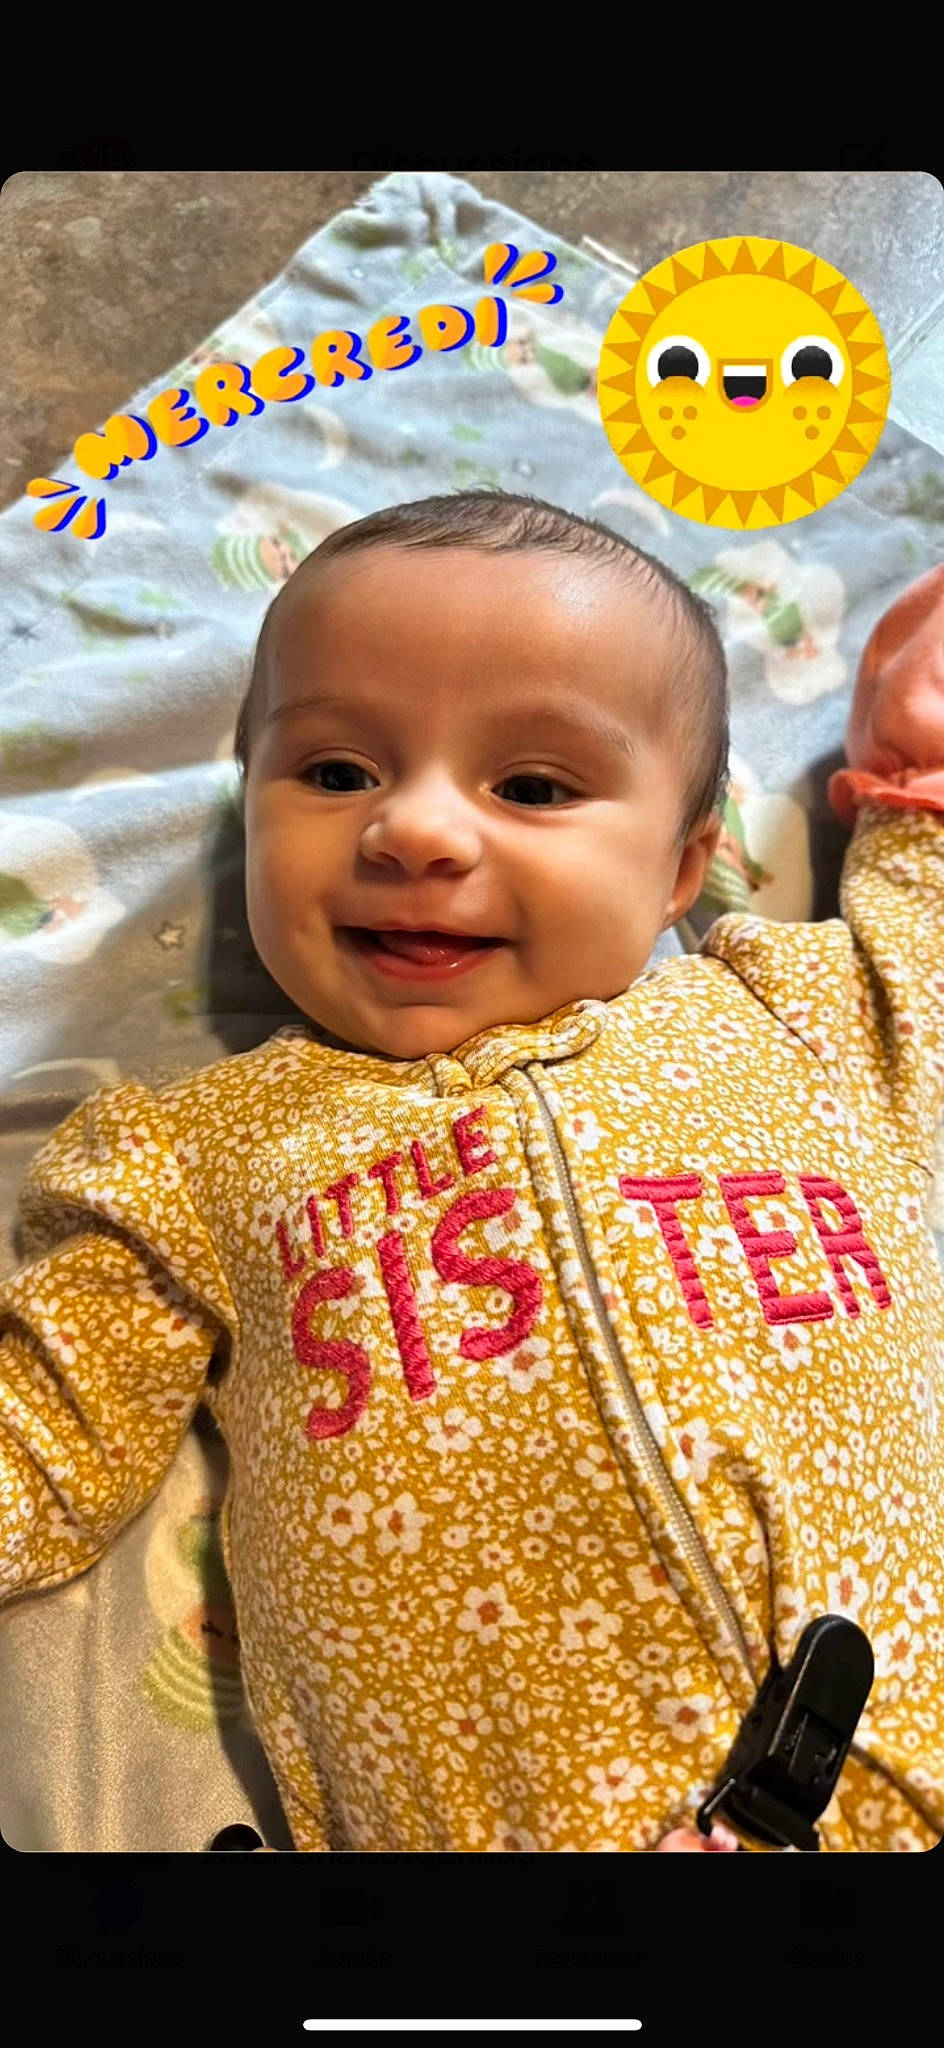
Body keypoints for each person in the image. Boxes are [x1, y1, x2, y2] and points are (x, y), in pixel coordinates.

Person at [2, 490, 943, 1854]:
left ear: (685, 866)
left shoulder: (801, 1015)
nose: (417, 832)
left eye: (535, 788)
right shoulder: (193, 1156)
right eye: (334, 774)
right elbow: (41, 1441)